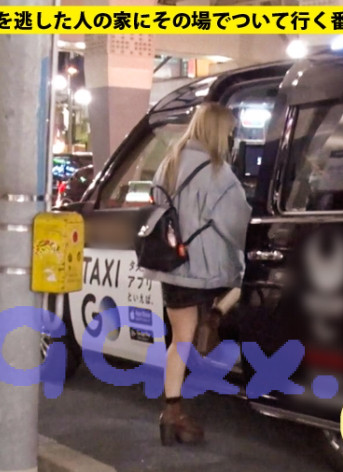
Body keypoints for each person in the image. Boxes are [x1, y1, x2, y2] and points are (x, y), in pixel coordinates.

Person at [142, 102, 252, 446]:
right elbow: (238, 225)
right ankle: (214, 318)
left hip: (171, 265)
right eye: (229, 132)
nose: (231, 138)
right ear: (219, 132)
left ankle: (171, 413)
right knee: (245, 280)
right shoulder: (219, 172)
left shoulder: (169, 163)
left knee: (179, 340)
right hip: (205, 270)